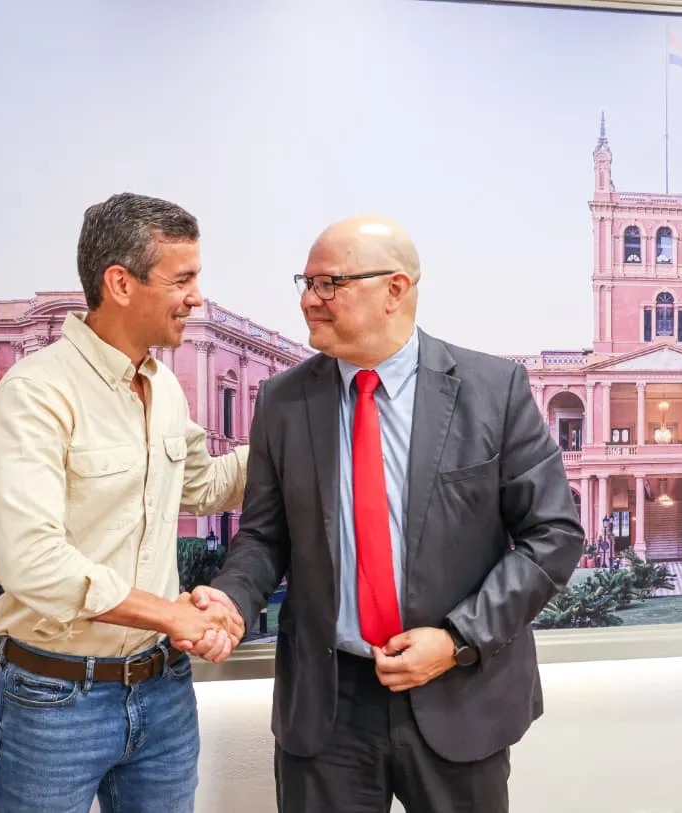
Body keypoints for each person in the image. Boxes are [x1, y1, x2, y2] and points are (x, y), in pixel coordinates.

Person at [186, 215, 584, 812]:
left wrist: (456, 639)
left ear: (395, 289)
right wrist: (233, 599)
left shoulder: (492, 390)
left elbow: (551, 535)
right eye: (306, 282)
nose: (307, 300)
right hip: (328, 706)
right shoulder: (283, 401)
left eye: (328, 284)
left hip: (457, 692)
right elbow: (265, 538)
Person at [0, 192, 248, 813]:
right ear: (120, 283)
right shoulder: (36, 393)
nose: (197, 296)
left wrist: (303, 432)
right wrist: (170, 615)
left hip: (164, 696)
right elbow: (30, 561)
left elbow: (202, 486)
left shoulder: (164, 387)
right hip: (55, 701)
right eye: (183, 278)